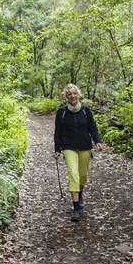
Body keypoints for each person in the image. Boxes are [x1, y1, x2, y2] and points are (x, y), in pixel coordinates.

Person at [53, 83, 104, 222]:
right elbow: (58, 132)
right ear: (66, 97)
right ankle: (75, 208)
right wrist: (57, 149)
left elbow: (92, 128)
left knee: (83, 176)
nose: (73, 96)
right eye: (70, 94)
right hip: (68, 147)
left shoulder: (85, 111)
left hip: (85, 147)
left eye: (74, 93)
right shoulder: (61, 112)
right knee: (73, 175)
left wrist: (97, 141)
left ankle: (80, 193)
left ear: (78, 95)